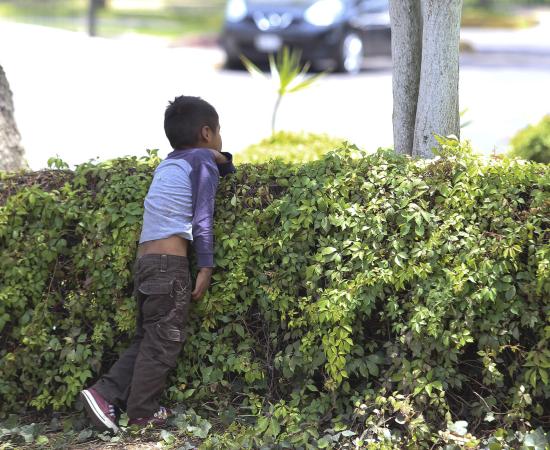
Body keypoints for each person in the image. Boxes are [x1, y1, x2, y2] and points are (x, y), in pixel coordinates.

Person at [79, 95, 236, 432]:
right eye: (219, 131)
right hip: (169, 266)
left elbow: (217, 164)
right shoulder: (201, 163)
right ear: (207, 132)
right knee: (165, 340)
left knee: (148, 338)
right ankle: (142, 412)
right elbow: (203, 218)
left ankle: (105, 394)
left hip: (147, 264)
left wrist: (220, 158)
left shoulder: (169, 164)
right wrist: (206, 266)